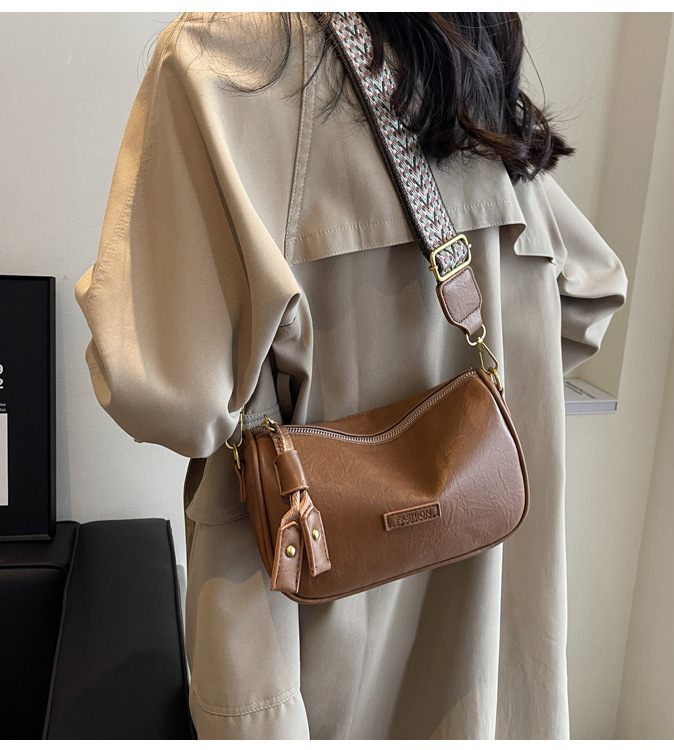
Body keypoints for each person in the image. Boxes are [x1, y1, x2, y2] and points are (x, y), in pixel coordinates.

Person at [76, 12, 627, 740]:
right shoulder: (467, 54)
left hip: (313, 631)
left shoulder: (232, 60)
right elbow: (590, 295)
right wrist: (460, 419)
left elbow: (165, 393)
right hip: (492, 609)